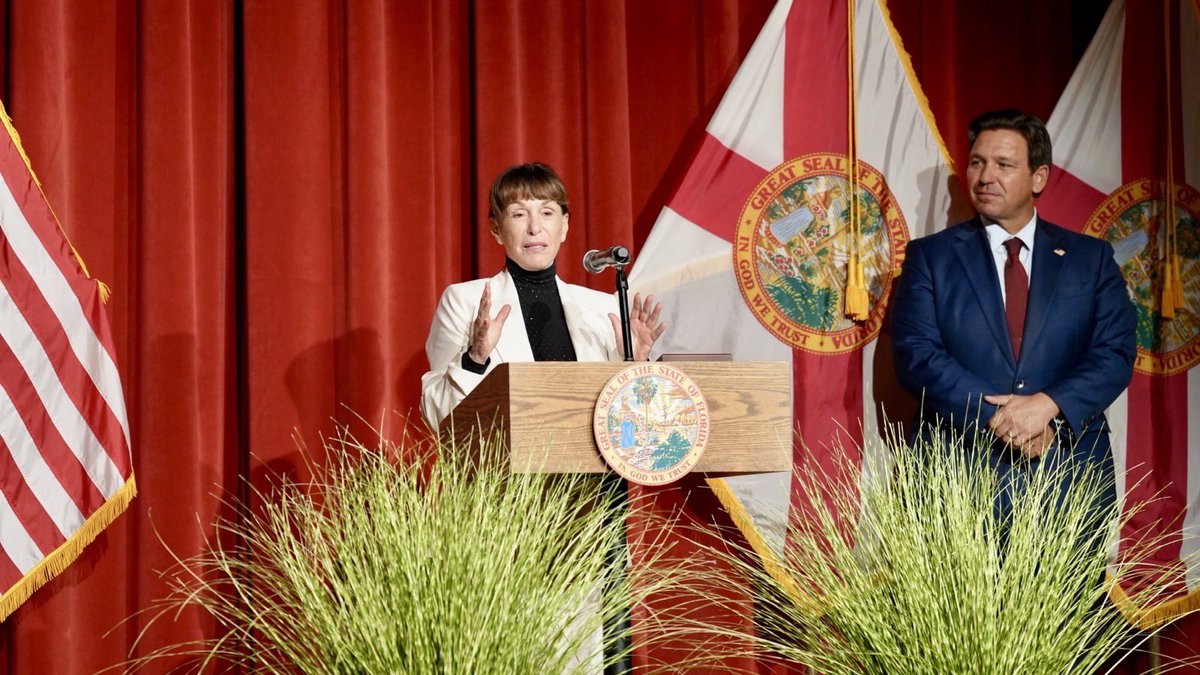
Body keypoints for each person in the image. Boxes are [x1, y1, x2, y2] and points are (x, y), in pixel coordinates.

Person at [890, 109, 1135, 517]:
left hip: (1067, 472)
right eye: (977, 162)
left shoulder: (1089, 259)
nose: (986, 176)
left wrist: (1049, 405)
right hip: (959, 474)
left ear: (1038, 177)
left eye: (1004, 165)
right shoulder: (929, 257)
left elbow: (1115, 353)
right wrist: (999, 419)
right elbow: (917, 356)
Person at [421, 162, 667, 431]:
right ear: (495, 228)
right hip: (514, 471)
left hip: (597, 471)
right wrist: (474, 359)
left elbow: (639, 430)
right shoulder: (463, 301)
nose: (534, 227)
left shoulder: (603, 308)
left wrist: (637, 365)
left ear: (564, 226)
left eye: (547, 212)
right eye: (518, 215)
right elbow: (440, 419)